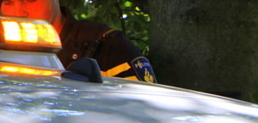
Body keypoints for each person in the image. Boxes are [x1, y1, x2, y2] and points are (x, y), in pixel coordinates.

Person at [1, 0, 156, 82]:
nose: (19, 12)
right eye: (8, 2)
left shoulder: (108, 47)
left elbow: (144, 115)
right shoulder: (4, 53)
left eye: (31, 0)